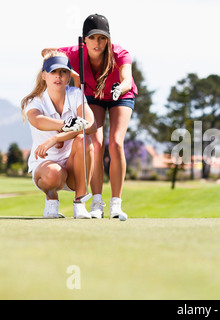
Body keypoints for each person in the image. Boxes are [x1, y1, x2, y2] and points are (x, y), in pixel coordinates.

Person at [42, 13, 138, 220]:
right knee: (95, 140)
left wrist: (119, 88)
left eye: (102, 38)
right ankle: (96, 202)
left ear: (108, 39)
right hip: (93, 96)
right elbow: (46, 54)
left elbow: (127, 80)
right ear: (84, 39)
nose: (98, 42)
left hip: (119, 95)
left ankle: (116, 205)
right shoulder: (75, 53)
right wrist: (57, 59)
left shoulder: (120, 53)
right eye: (93, 37)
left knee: (116, 143)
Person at [21, 51, 96, 219]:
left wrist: (56, 137)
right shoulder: (35, 101)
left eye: (63, 72)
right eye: (53, 71)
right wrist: (66, 125)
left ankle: (80, 202)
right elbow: (38, 120)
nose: (58, 76)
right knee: (53, 173)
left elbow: (91, 124)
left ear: (69, 75)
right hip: (47, 171)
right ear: (43, 75)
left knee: (84, 138)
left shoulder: (75, 95)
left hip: (74, 169)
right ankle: (51, 199)